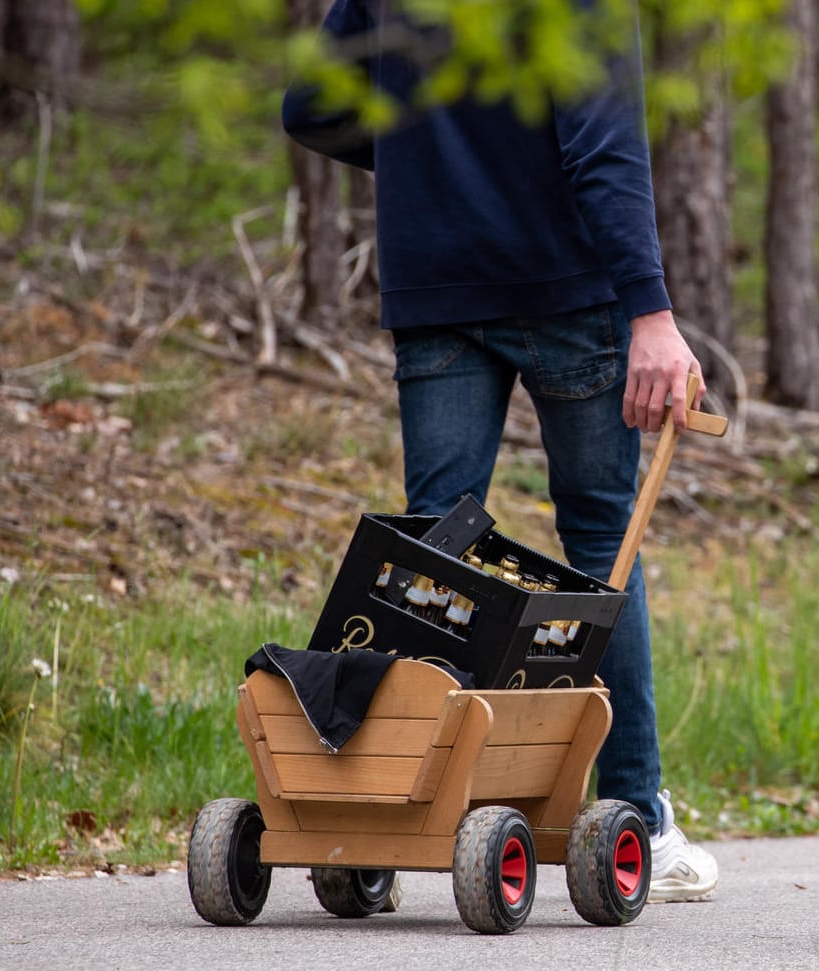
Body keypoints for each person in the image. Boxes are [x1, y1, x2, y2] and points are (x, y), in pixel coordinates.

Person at [283, 0, 718, 902]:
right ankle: (637, 811)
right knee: (601, 542)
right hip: (568, 285)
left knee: (432, 554)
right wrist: (651, 312)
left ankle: (388, 814)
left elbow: (312, 105)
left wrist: (424, 162)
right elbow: (602, 146)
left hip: (435, 282)